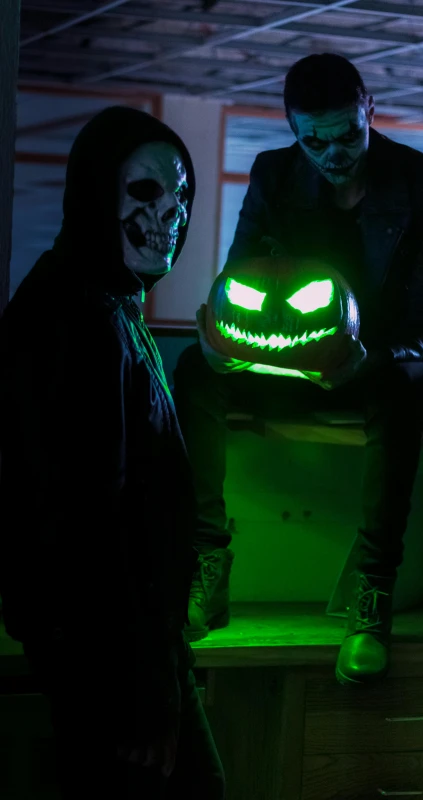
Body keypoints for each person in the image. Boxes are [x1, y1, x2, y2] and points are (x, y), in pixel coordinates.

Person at [173, 53, 423, 685]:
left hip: (378, 364)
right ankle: (206, 562)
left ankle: (372, 597)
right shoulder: (274, 175)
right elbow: (237, 280)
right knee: (194, 371)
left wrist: (367, 359)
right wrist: (217, 334)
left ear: (370, 112)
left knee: (397, 394)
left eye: (346, 136)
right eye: (314, 139)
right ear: (291, 127)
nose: (331, 153)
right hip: (290, 356)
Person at [0, 107, 225, 799]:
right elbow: (89, 521)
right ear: (98, 193)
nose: (171, 217)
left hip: (115, 653)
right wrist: (145, 683)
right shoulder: (80, 318)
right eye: (146, 193)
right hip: (114, 664)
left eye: (182, 197)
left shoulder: (103, 299)